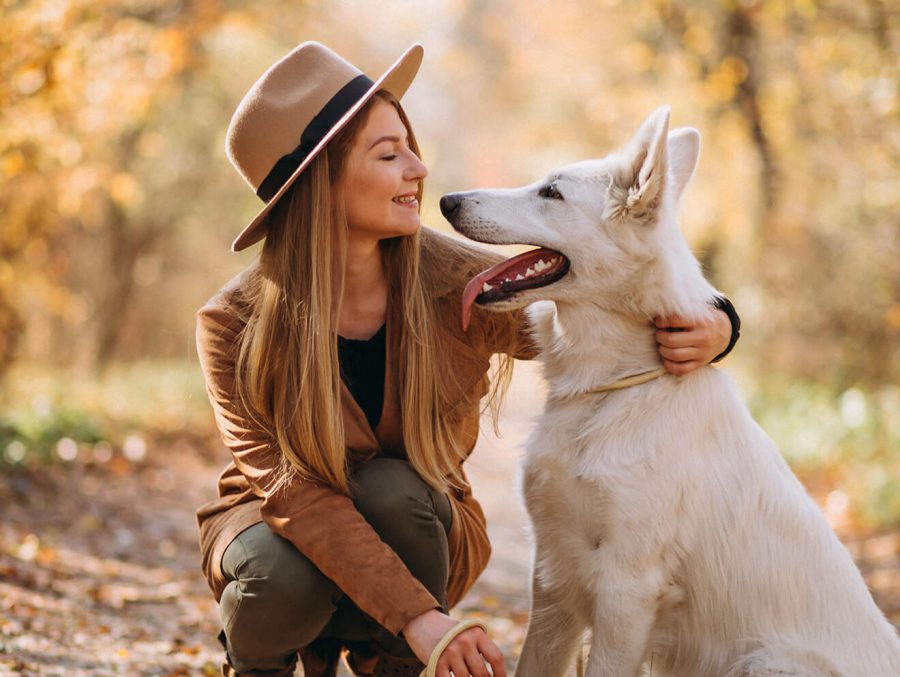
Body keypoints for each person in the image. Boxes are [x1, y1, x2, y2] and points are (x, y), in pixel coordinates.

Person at [195, 41, 740, 677]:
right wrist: (421, 616)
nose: (420, 170)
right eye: (389, 154)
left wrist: (719, 322)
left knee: (396, 491)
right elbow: (295, 496)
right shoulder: (232, 325)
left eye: (410, 145)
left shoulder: (458, 281)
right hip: (281, 531)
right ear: (321, 181)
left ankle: (392, 664)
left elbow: (610, 289)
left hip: (419, 523)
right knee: (276, 576)